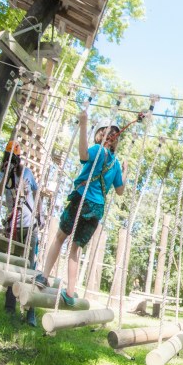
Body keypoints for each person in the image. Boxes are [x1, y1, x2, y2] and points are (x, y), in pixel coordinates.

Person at [35, 112, 127, 305]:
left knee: (60, 237)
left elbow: (83, 154)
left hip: (82, 200)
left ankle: (44, 276)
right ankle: (69, 292)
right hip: (96, 210)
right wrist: (124, 173)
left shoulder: (98, 150)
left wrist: (83, 124)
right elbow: (120, 190)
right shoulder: (116, 164)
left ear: (100, 135)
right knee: (75, 249)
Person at [0, 140, 41, 326]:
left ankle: (31, 311)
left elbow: (37, 193)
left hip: (29, 225)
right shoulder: (2, 174)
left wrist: (40, 215)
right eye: (8, 158)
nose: (11, 161)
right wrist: (6, 172)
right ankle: (9, 306)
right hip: (12, 225)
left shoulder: (27, 172)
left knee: (30, 267)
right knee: (12, 265)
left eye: (14, 158)